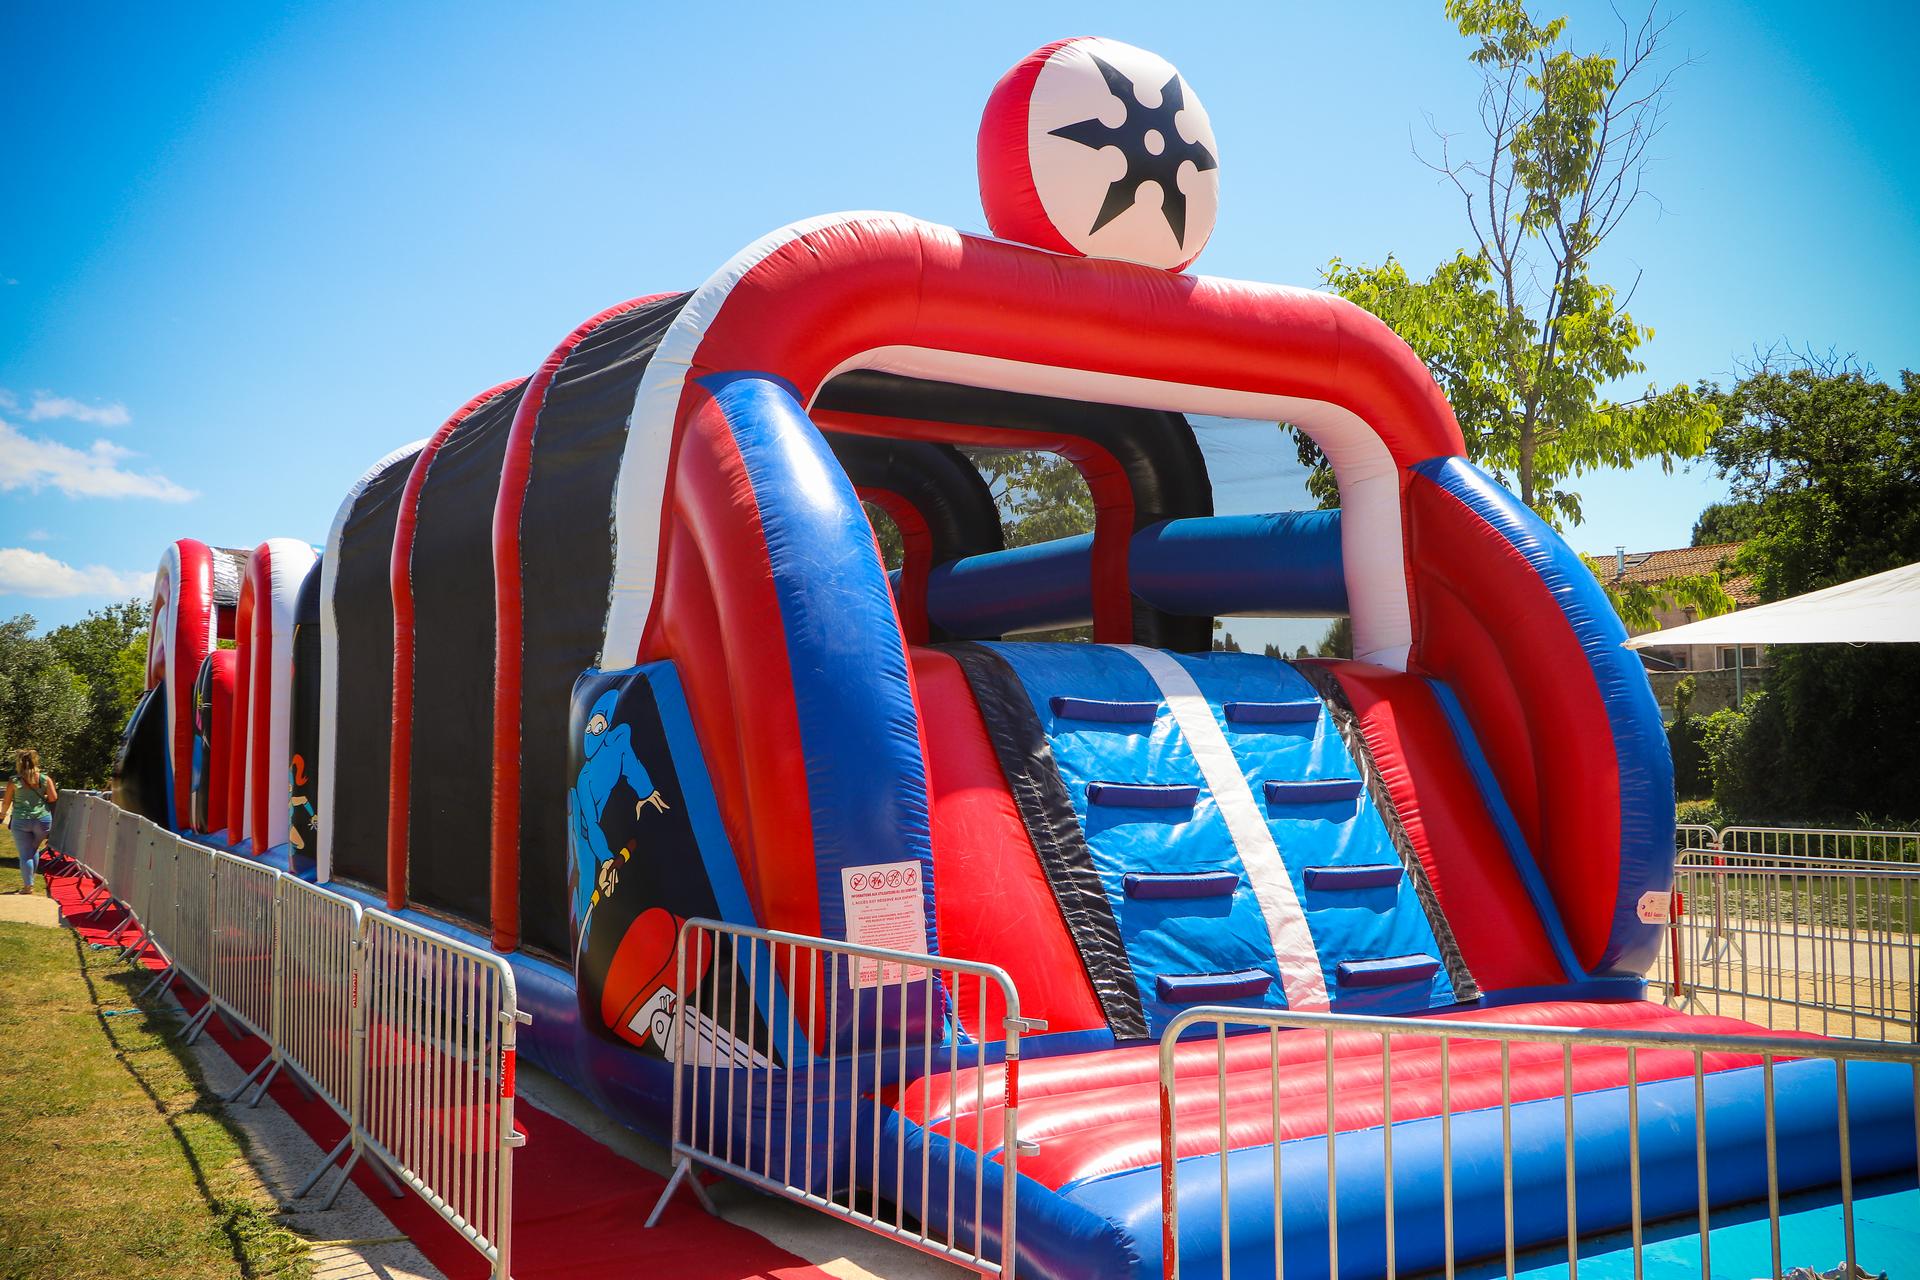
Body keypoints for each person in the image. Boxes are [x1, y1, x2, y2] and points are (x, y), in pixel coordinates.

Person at [2, 749, 58, 894]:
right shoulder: (45, 779)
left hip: (21, 820)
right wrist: (42, 797)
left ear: (19, 763)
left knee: (25, 853)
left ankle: (28, 886)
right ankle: (30, 880)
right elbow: (53, 798)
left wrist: (2, 815)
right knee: (34, 849)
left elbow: (6, 802)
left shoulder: (14, 780)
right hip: (42, 820)